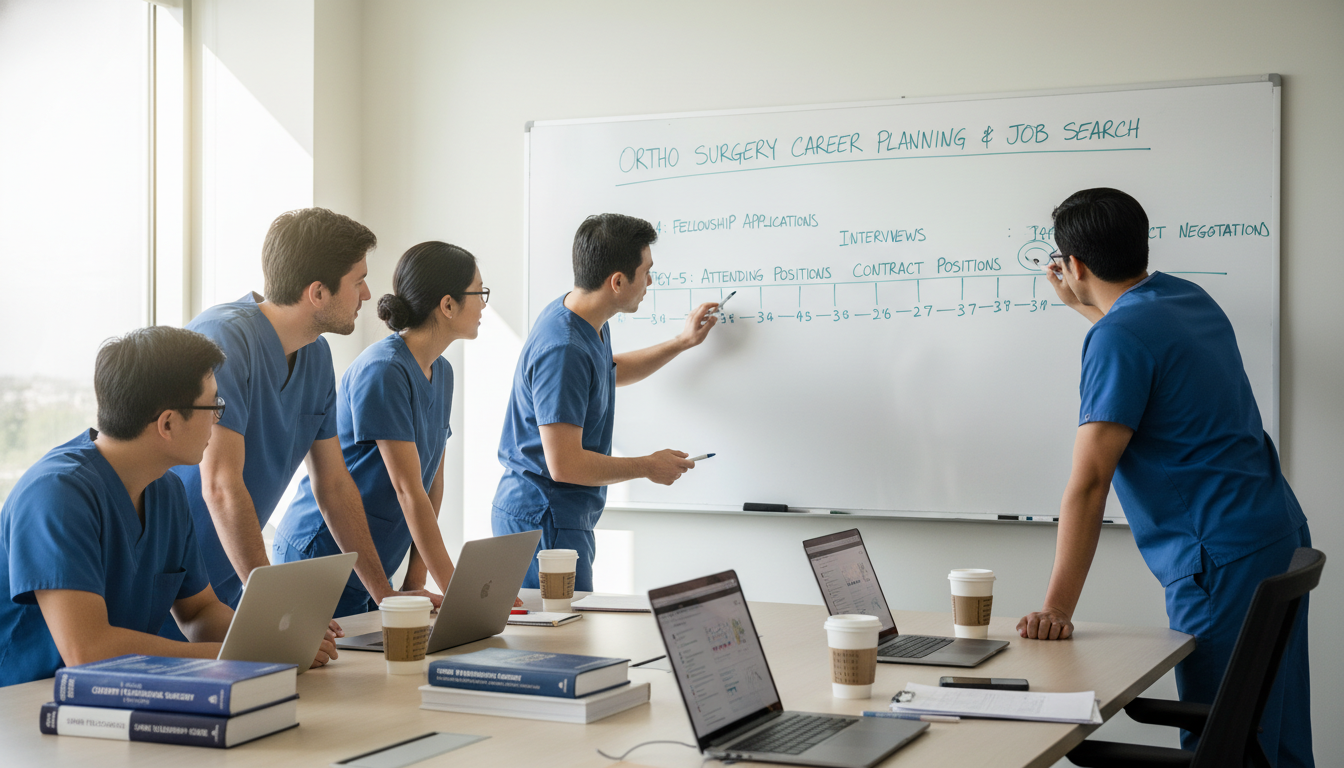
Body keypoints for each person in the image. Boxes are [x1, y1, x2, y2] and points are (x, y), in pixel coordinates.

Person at [1018, 188, 1312, 766]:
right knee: (1271, 729)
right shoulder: (1186, 298)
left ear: (1074, 264)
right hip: (1274, 533)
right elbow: (1145, 338)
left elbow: (1090, 481)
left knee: (1225, 743)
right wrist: (1086, 307)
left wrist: (1056, 608)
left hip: (1219, 560)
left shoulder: (1118, 337)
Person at [0, 327, 338, 687]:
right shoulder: (56, 495)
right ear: (168, 423)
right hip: (27, 705)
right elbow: (89, 652)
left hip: (118, 694)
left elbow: (199, 612)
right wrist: (249, 656)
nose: (218, 419)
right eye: (214, 406)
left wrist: (276, 639)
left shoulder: (167, 489)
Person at [171, 208, 440, 635]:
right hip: (168, 581)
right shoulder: (224, 341)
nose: (368, 294)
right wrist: (279, 615)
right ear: (318, 292)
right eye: (358, 282)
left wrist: (385, 597)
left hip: (225, 580)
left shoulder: (316, 356)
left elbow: (333, 485)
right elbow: (221, 485)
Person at [492, 213, 720, 591]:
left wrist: (682, 342)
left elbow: (609, 370)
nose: (649, 281)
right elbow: (564, 464)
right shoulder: (563, 347)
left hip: (557, 516)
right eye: (646, 272)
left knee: (566, 639)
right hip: (543, 519)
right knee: (557, 645)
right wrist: (647, 466)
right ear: (618, 281)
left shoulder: (583, 317)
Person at [273, 241, 494, 617]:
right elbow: (408, 492)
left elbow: (429, 483)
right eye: (479, 293)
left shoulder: (442, 372)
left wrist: (415, 579)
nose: (484, 304)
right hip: (320, 557)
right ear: (447, 305)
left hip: (374, 570)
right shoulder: (384, 370)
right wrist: (462, 598)